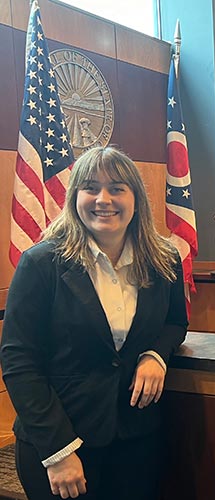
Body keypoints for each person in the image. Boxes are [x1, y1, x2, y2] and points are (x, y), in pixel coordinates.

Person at [0, 146, 188, 500]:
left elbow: (175, 322)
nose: (104, 199)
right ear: (75, 197)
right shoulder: (41, 264)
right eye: (91, 187)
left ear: (135, 199)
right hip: (62, 445)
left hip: (135, 441)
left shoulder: (164, 260)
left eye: (117, 188)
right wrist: (59, 451)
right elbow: (18, 363)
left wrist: (155, 355)